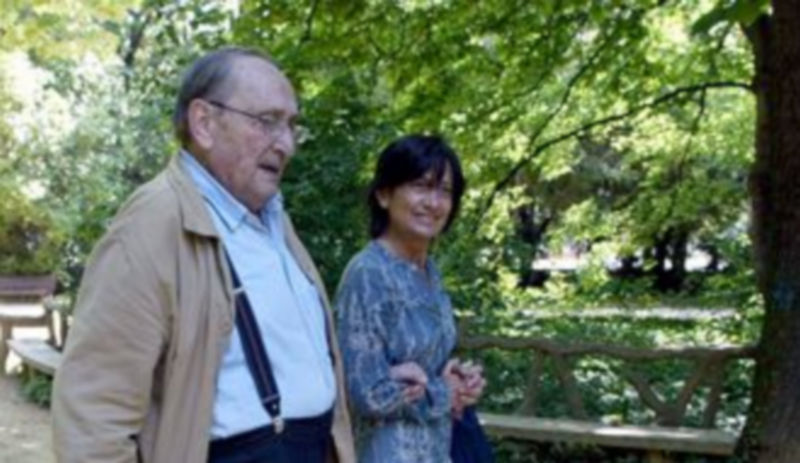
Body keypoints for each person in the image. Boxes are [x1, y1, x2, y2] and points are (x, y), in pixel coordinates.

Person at [51, 47, 355, 463]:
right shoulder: (150, 226)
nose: (286, 144)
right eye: (268, 121)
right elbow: (94, 418)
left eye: (291, 125)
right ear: (204, 123)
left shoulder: (273, 220)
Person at [334, 134, 487, 462]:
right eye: (420, 186)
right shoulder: (369, 274)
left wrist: (458, 377)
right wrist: (444, 391)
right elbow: (365, 393)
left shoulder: (428, 271)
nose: (433, 202)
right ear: (384, 194)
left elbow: (427, 362)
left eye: (444, 190)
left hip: (436, 449)